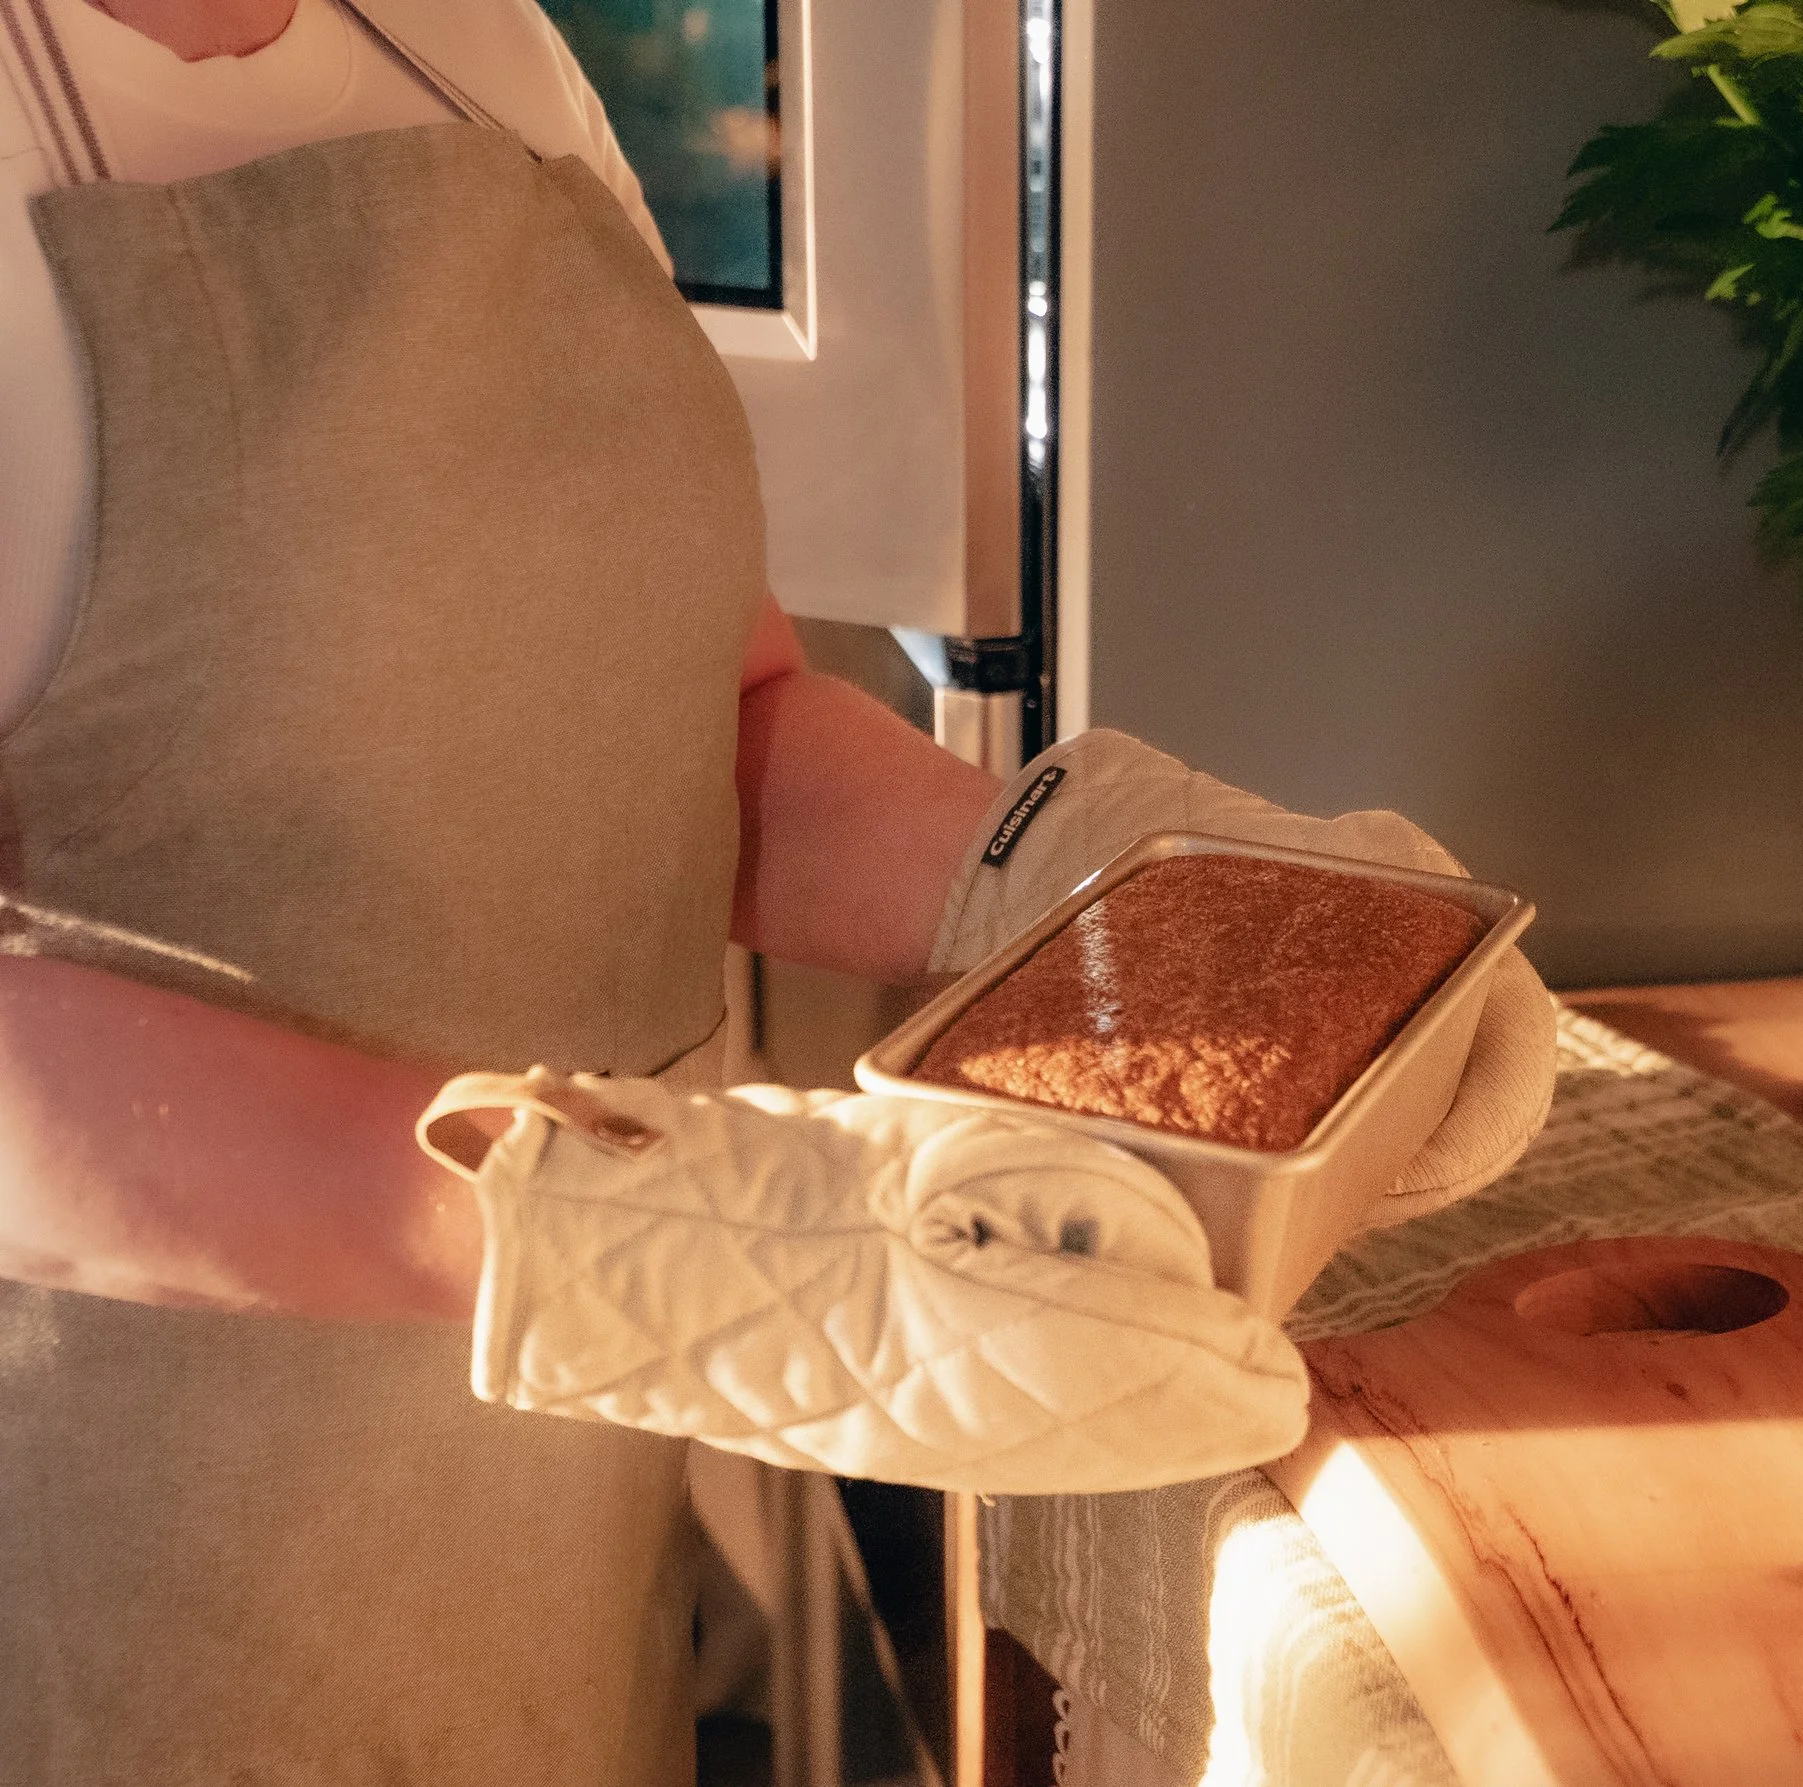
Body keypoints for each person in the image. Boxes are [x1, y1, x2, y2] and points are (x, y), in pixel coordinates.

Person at [0, 0, 1557, 1780]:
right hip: (123, 1563)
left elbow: (697, 710)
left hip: (556, 1527)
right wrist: (626, 1241)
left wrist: (1099, 889)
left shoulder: (486, 54)